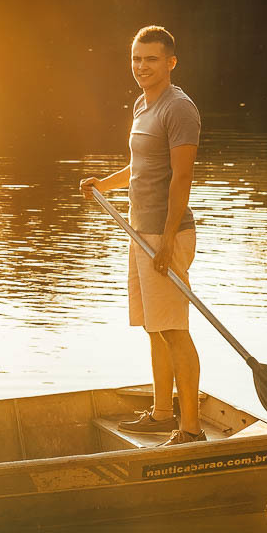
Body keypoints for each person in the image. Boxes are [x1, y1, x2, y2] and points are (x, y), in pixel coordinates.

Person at [80, 25, 205, 446]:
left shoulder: (179, 109)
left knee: (174, 330)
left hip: (165, 235)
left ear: (170, 62)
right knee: (154, 327)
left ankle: (190, 429)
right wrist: (104, 186)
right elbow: (140, 171)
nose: (142, 66)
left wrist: (167, 239)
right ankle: (161, 412)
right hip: (140, 232)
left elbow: (181, 177)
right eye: (137, 58)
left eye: (151, 59)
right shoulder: (142, 104)